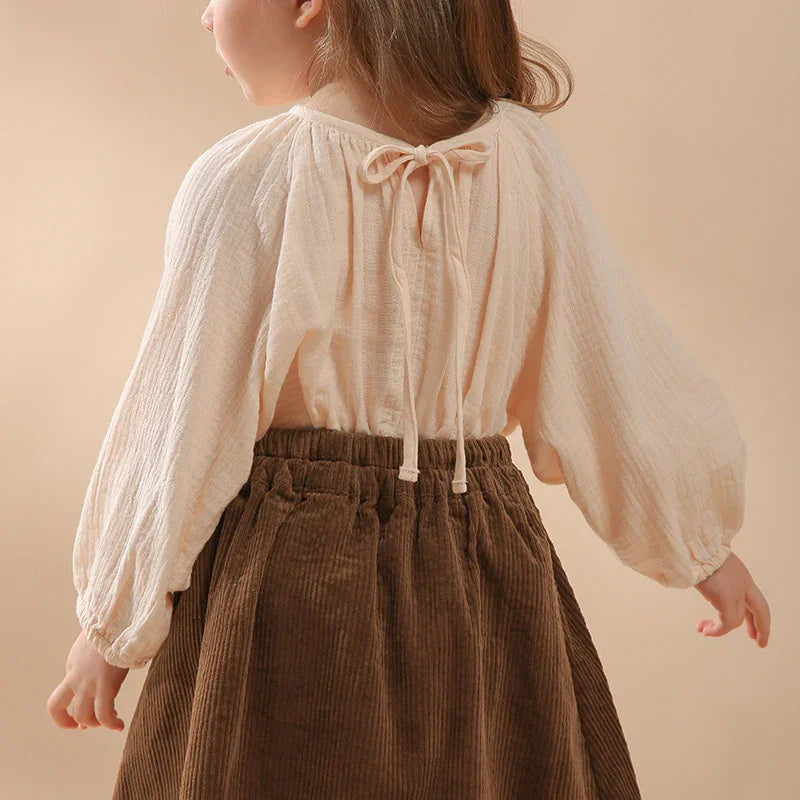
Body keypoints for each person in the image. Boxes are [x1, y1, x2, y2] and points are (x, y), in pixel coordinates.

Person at [46, 0, 771, 798]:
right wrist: (704, 548)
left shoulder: (251, 180)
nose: (204, 15)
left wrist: (109, 632)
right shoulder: (518, 160)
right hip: (482, 575)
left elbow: (181, 426)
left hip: (295, 583)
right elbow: (607, 361)